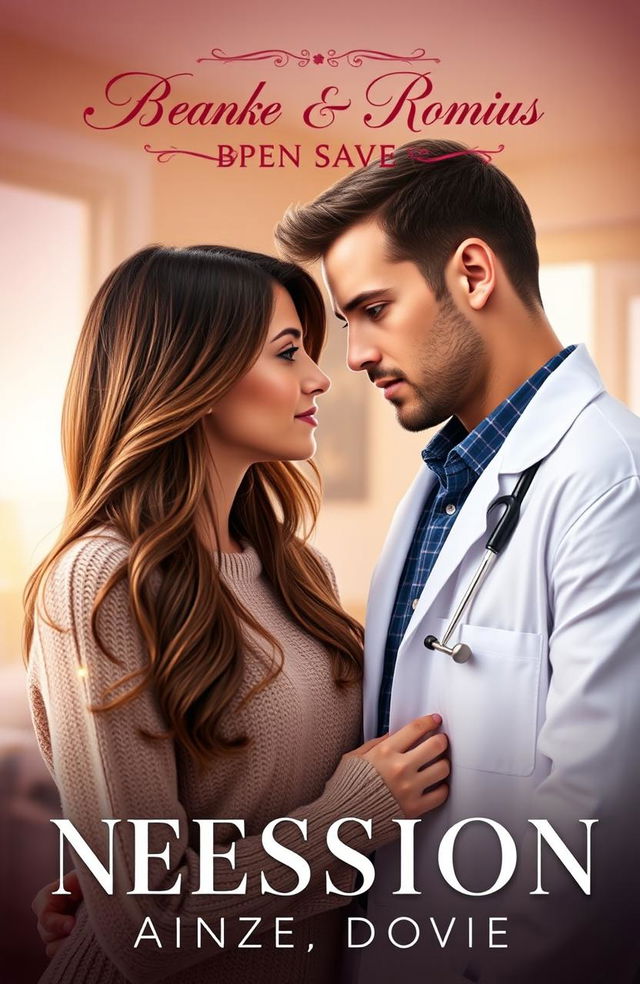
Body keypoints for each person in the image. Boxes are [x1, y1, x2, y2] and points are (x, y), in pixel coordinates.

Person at [24, 243, 451, 984]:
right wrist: (357, 813)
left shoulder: (299, 572)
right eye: (288, 353)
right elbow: (152, 926)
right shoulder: (97, 582)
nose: (320, 376)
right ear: (193, 377)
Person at [272, 140, 640, 981]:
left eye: (372, 309)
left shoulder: (612, 479)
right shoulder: (444, 481)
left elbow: (600, 835)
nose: (354, 355)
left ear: (473, 273)